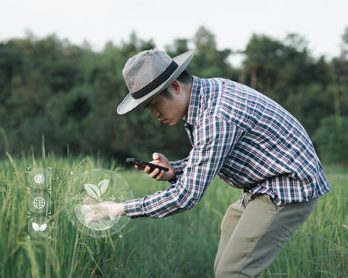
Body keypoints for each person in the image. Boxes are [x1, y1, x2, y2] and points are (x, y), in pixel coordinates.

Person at [92, 49, 331, 277]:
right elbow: (212, 156)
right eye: (148, 108)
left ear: (175, 86)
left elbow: (185, 197)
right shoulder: (207, 95)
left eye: (155, 104)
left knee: (232, 272)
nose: (154, 115)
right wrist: (174, 169)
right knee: (226, 255)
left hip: (288, 186)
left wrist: (119, 209)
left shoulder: (216, 116)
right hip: (263, 184)